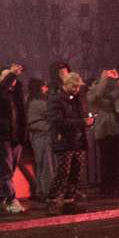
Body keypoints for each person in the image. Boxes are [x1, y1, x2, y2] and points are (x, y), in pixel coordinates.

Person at [46, 72, 91, 215]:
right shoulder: (57, 100)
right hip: (64, 141)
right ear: (66, 84)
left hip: (77, 141)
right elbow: (58, 121)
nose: (76, 89)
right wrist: (82, 122)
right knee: (63, 172)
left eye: (78, 87)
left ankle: (69, 201)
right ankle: (52, 201)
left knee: (75, 172)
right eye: (74, 86)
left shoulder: (76, 100)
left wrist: (86, 123)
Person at [87, 69, 119, 196]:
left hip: (113, 127)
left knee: (114, 159)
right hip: (103, 128)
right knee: (106, 160)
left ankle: (114, 185)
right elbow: (96, 96)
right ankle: (106, 187)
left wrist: (118, 81)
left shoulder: (110, 93)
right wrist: (103, 79)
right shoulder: (93, 92)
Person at [0, 63, 27, 214]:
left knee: (9, 171)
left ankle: (2, 200)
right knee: (6, 170)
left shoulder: (16, 95)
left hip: (15, 137)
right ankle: (11, 200)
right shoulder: (2, 94)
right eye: (6, 76)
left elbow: (22, 116)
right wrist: (11, 74)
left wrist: (23, 137)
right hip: (2, 137)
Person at [26, 77, 53, 202]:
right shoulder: (40, 103)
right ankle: (46, 191)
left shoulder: (29, 100)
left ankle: (40, 190)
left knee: (40, 163)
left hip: (36, 135)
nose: (46, 88)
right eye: (44, 85)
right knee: (46, 163)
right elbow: (52, 114)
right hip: (42, 134)